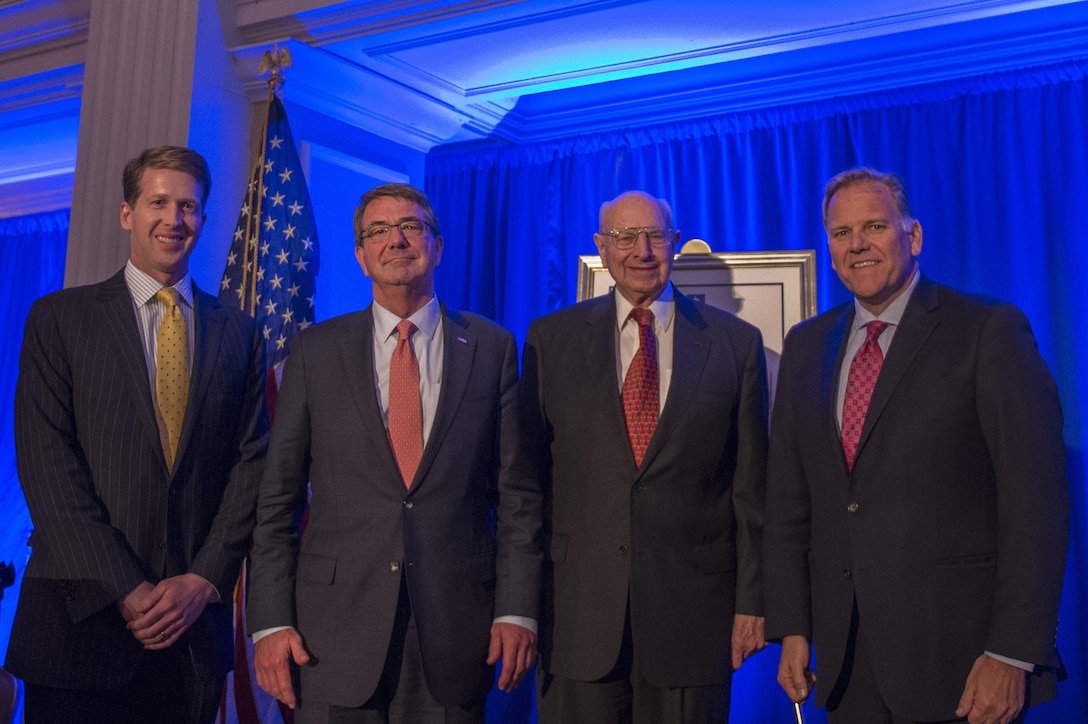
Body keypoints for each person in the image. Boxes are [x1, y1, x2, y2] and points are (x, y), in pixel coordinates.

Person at [764, 167, 1069, 723]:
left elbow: (1037, 505)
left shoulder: (986, 331)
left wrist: (1011, 653)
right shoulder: (806, 346)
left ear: (915, 236)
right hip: (846, 666)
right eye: (840, 232)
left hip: (962, 666)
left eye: (874, 226)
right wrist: (794, 626)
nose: (856, 244)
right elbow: (789, 504)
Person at [246, 183, 541, 724]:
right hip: (329, 636)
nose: (396, 240)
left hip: (456, 633)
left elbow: (517, 498)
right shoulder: (314, 352)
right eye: (377, 231)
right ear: (361, 256)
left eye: (411, 226)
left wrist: (517, 609)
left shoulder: (492, 348)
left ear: (437, 246)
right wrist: (268, 623)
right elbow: (277, 500)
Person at [7, 146, 270, 723]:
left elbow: (253, 465)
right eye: (158, 202)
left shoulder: (241, 334)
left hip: (191, 635)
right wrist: (127, 588)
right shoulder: (59, 319)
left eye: (188, 207)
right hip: (79, 624)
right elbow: (48, 467)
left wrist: (204, 579)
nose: (174, 220)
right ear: (128, 213)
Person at [520, 190, 769, 723]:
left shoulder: (737, 345)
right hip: (576, 615)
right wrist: (520, 605)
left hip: (692, 619)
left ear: (674, 243)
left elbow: (751, 492)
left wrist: (752, 602)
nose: (642, 250)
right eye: (625, 237)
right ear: (600, 248)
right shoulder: (550, 341)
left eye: (655, 235)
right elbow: (525, 487)